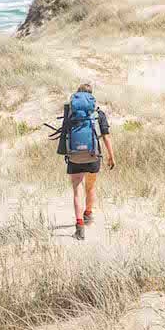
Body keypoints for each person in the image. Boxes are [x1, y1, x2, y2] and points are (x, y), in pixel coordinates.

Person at [65, 82, 115, 241]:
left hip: (74, 156)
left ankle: (79, 227)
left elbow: (65, 134)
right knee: (90, 186)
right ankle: (88, 214)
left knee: (77, 190)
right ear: (91, 96)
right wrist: (111, 156)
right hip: (93, 155)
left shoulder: (70, 112)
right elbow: (106, 136)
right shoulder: (98, 113)